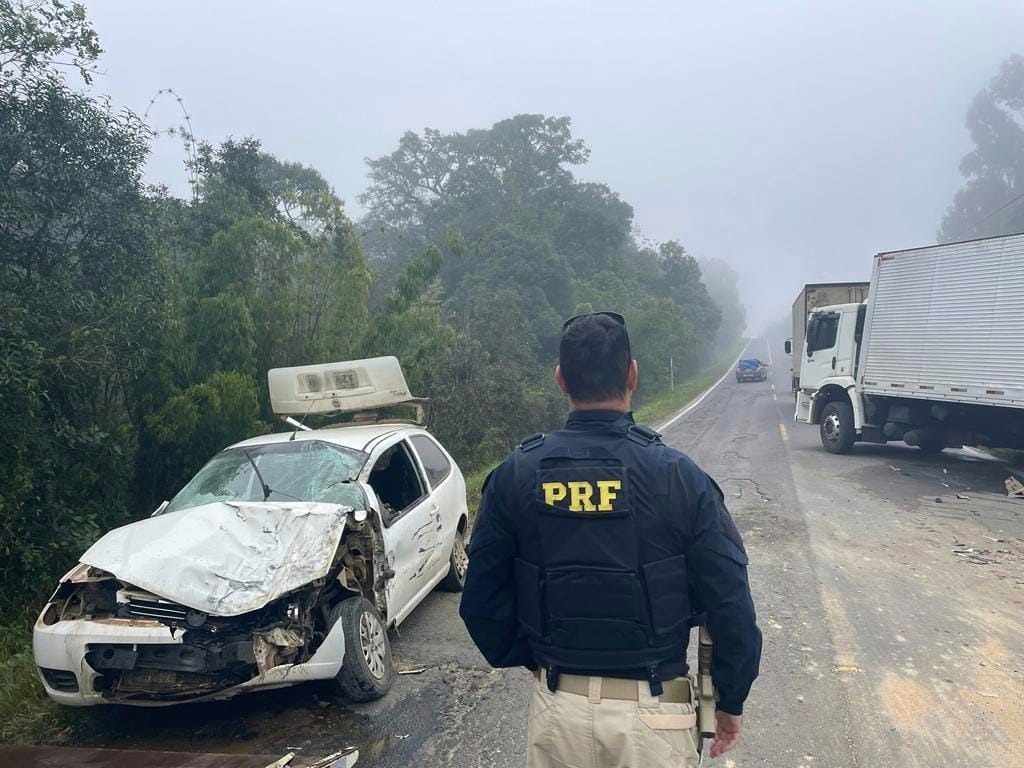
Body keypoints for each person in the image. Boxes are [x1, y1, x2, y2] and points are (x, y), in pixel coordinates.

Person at [459, 311, 761, 768]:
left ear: (561, 379)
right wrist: (730, 700)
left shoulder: (514, 475)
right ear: (632, 374)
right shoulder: (678, 476)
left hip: (557, 713)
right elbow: (730, 603)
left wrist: (539, 661)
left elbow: (480, 601)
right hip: (655, 715)